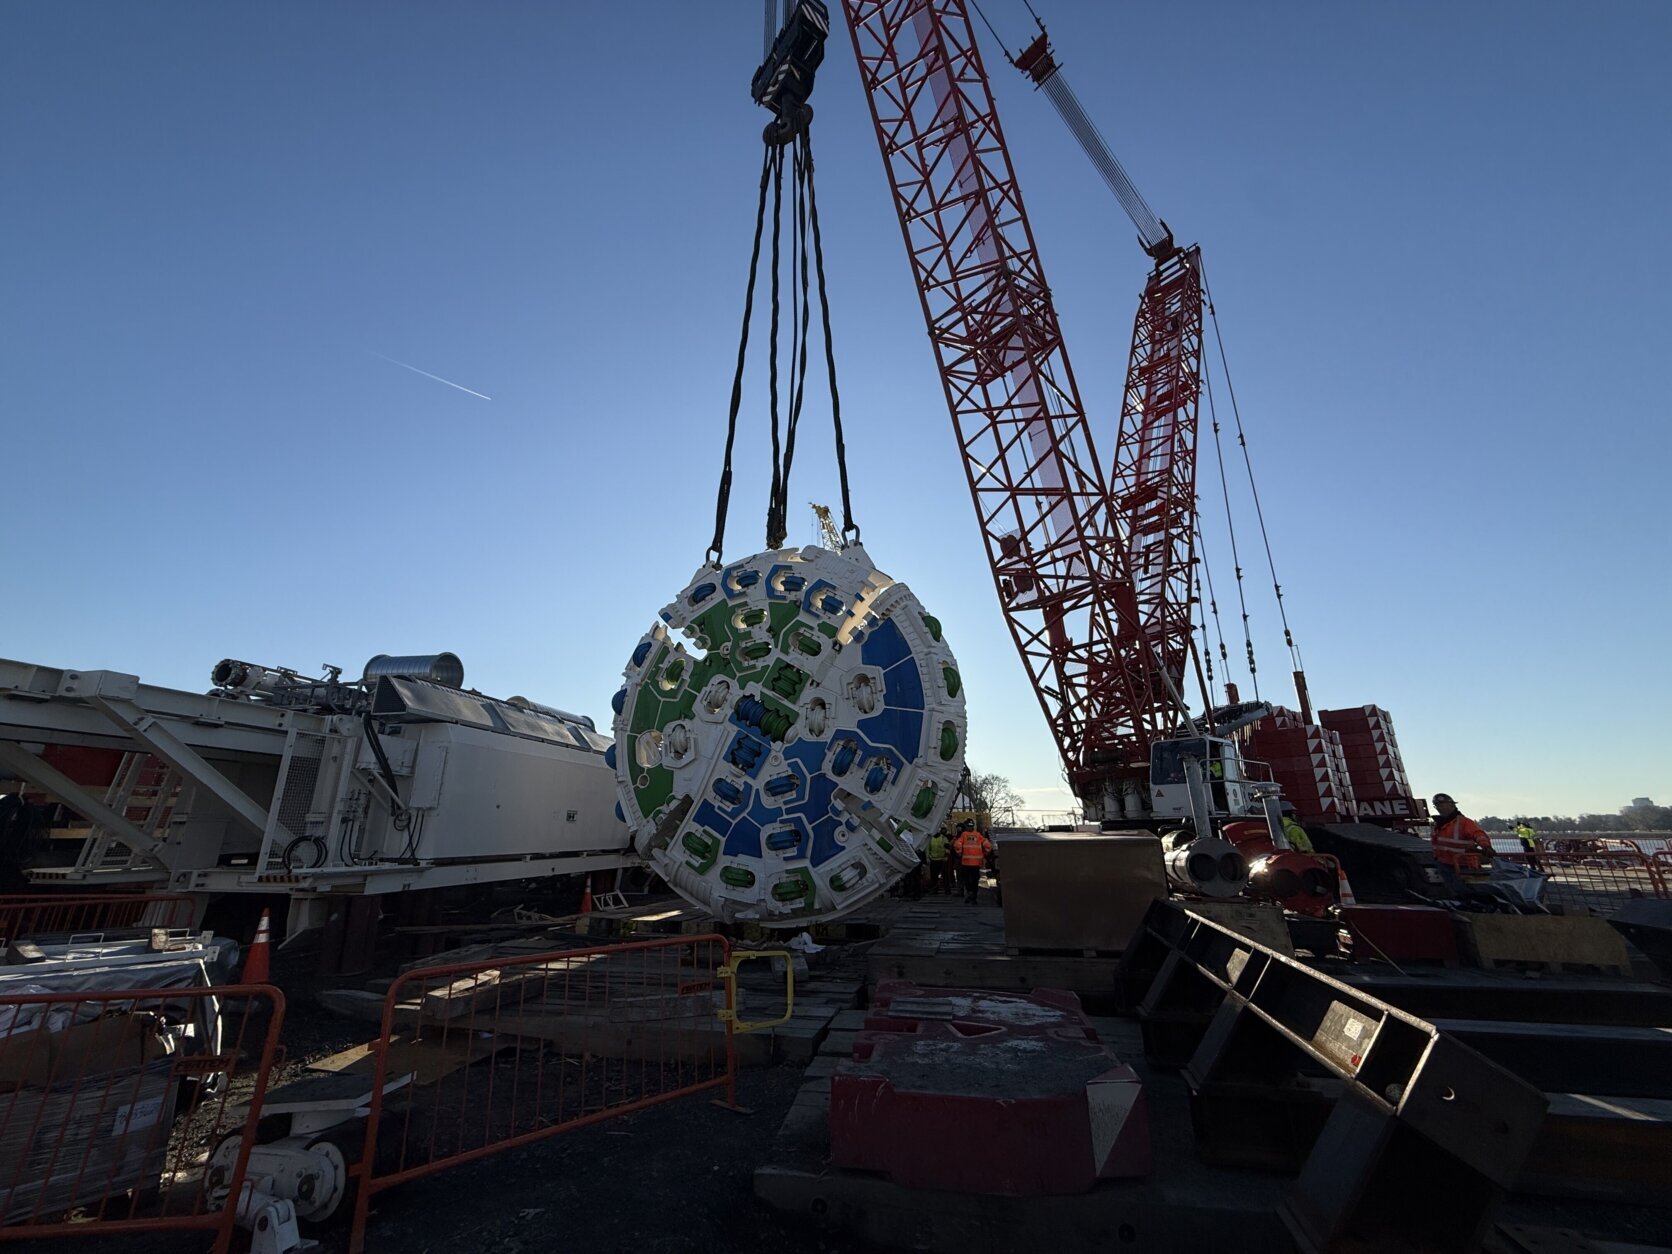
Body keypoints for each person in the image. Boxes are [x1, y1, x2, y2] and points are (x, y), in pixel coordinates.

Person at [1431, 793, 1494, 875]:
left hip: (1463, 865)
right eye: (1437, 806)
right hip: (1444, 864)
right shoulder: (1438, 825)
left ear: (1452, 805)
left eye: (1442, 805)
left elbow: (1478, 834)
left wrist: (1486, 846)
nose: (1439, 808)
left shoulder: (1464, 822)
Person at [951, 819, 993, 905]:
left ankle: (969, 893)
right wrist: (984, 854)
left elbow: (957, 845)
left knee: (966, 880)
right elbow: (988, 846)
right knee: (975, 881)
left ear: (966, 826)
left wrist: (959, 854)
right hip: (976, 864)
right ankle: (974, 897)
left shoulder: (964, 835)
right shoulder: (978, 835)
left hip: (966, 862)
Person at [925, 830, 951, 895]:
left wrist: (946, 856)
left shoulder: (943, 838)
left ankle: (947, 889)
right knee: (934, 876)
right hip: (933, 859)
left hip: (942, 859)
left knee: (945, 875)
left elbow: (947, 847)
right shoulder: (930, 838)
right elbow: (927, 848)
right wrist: (927, 858)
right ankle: (934, 889)